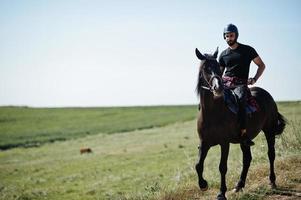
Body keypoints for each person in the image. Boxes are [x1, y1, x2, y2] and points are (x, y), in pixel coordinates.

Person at [218, 24, 266, 146]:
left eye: (231, 35)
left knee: (240, 100)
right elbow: (219, 73)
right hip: (226, 84)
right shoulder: (223, 54)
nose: (229, 38)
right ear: (224, 37)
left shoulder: (248, 50)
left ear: (236, 35)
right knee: (211, 99)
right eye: (227, 36)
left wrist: (254, 79)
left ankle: (244, 133)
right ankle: (209, 134)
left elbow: (261, 65)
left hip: (240, 84)